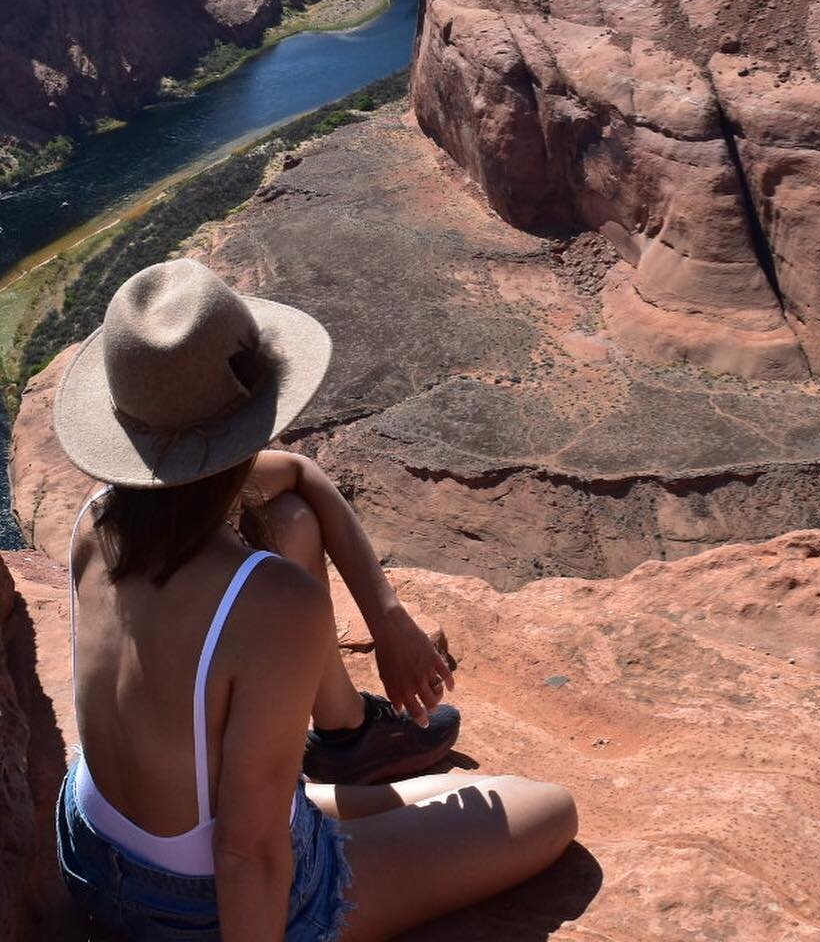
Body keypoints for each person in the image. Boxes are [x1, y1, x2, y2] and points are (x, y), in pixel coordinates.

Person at [53, 258, 578, 941]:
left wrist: (387, 618)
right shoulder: (272, 604)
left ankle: (345, 745)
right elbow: (249, 856)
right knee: (546, 807)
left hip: (91, 852)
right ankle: (316, 791)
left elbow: (300, 476)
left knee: (294, 518)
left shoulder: (95, 521)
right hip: (197, 905)